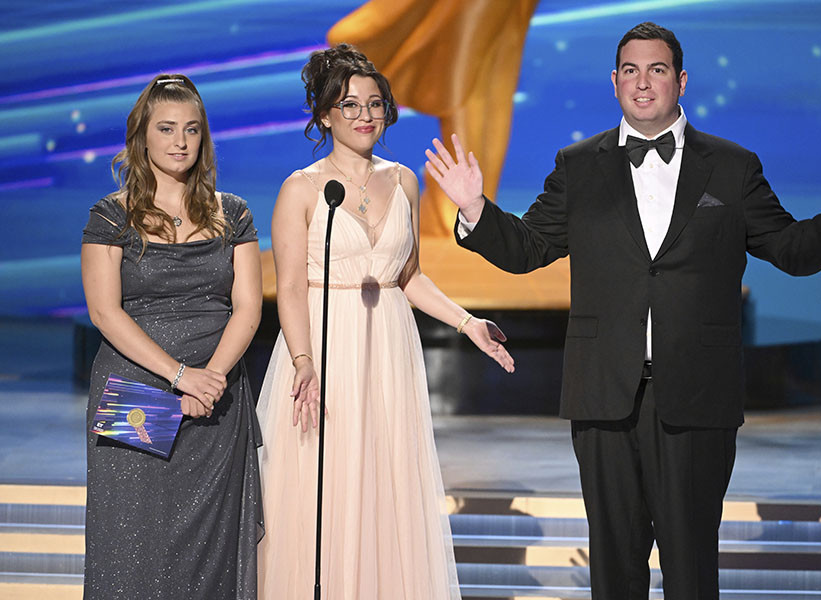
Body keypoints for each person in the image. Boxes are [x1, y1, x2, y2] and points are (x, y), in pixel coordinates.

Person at [426, 22, 821, 600]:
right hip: (604, 395)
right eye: (630, 70)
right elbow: (529, 249)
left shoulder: (731, 166)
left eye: (656, 70)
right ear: (614, 81)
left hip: (698, 394)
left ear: (680, 81)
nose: (642, 82)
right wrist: (475, 207)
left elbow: (790, 250)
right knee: (615, 566)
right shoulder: (578, 165)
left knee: (691, 564)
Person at [255, 44, 514, 599]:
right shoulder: (300, 189)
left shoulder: (403, 182)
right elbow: (292, 289)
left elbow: (408, 276)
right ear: (324, 114)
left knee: (383, 484)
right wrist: (303, 361)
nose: (365, 115)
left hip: (388, 350)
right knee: (323, 488)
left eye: (374, 104)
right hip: (324, 349)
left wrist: (468, 323)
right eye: (348, 105)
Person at [81, 74, 263, 599]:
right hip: (133, 393)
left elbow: (247, 308)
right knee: (131, 538)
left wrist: (209, 382)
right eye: (166, 129)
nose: (180, 142)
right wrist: (180, 377)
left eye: (191, 130)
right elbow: (104, 311)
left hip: (214, 399)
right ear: (142, 136)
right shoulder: (111, 215)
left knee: (207, 546)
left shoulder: (234, 214)